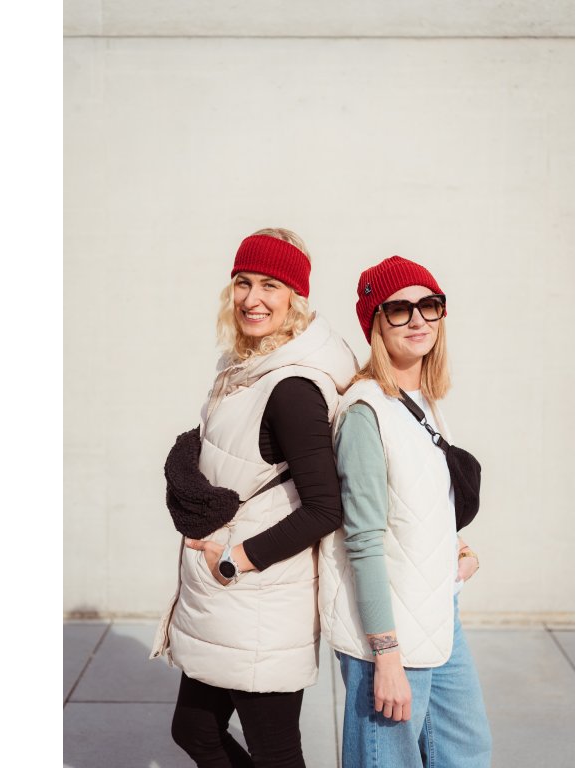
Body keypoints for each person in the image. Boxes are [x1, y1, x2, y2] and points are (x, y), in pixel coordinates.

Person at [151, 228, 358, 768]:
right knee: (194, 730)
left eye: (270, 285)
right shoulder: (247, 369)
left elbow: (325, 507)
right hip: (231, 604)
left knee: (275, 754)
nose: (252, 298)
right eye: (243, 282)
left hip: (259, 603)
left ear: (295, 297)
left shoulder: (290, 387)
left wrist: (234, 560)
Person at [319, 255, 493, 767]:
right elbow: (364, 539)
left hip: (438, 613)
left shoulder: (422, 402)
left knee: (466, 752)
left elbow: (415, 506)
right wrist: (386, 656)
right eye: (399, 309)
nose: (417, 319)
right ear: (376, 323)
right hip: (390, 629)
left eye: (429, 305)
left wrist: (456, 549)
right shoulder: (365, 412)